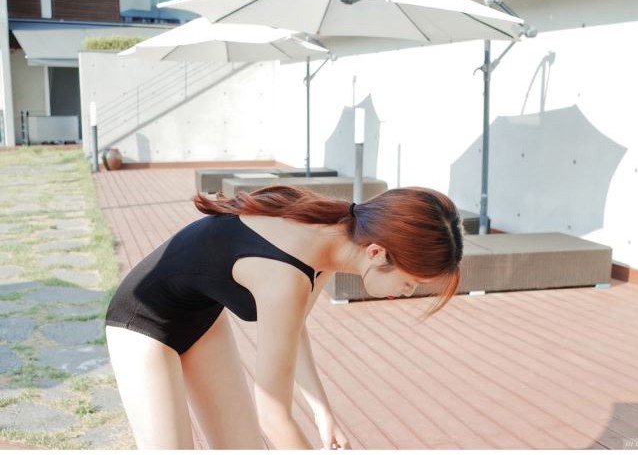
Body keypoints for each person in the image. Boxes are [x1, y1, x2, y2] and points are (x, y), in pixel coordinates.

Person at [104, 185, 464, 450]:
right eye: (410, 282)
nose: (407, 293)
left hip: (201, 316)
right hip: (140, 322)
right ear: (376, 252)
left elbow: (294, 327)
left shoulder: (336, 240)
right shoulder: (286, 278)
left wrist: (322, 413)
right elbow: (273, 416)